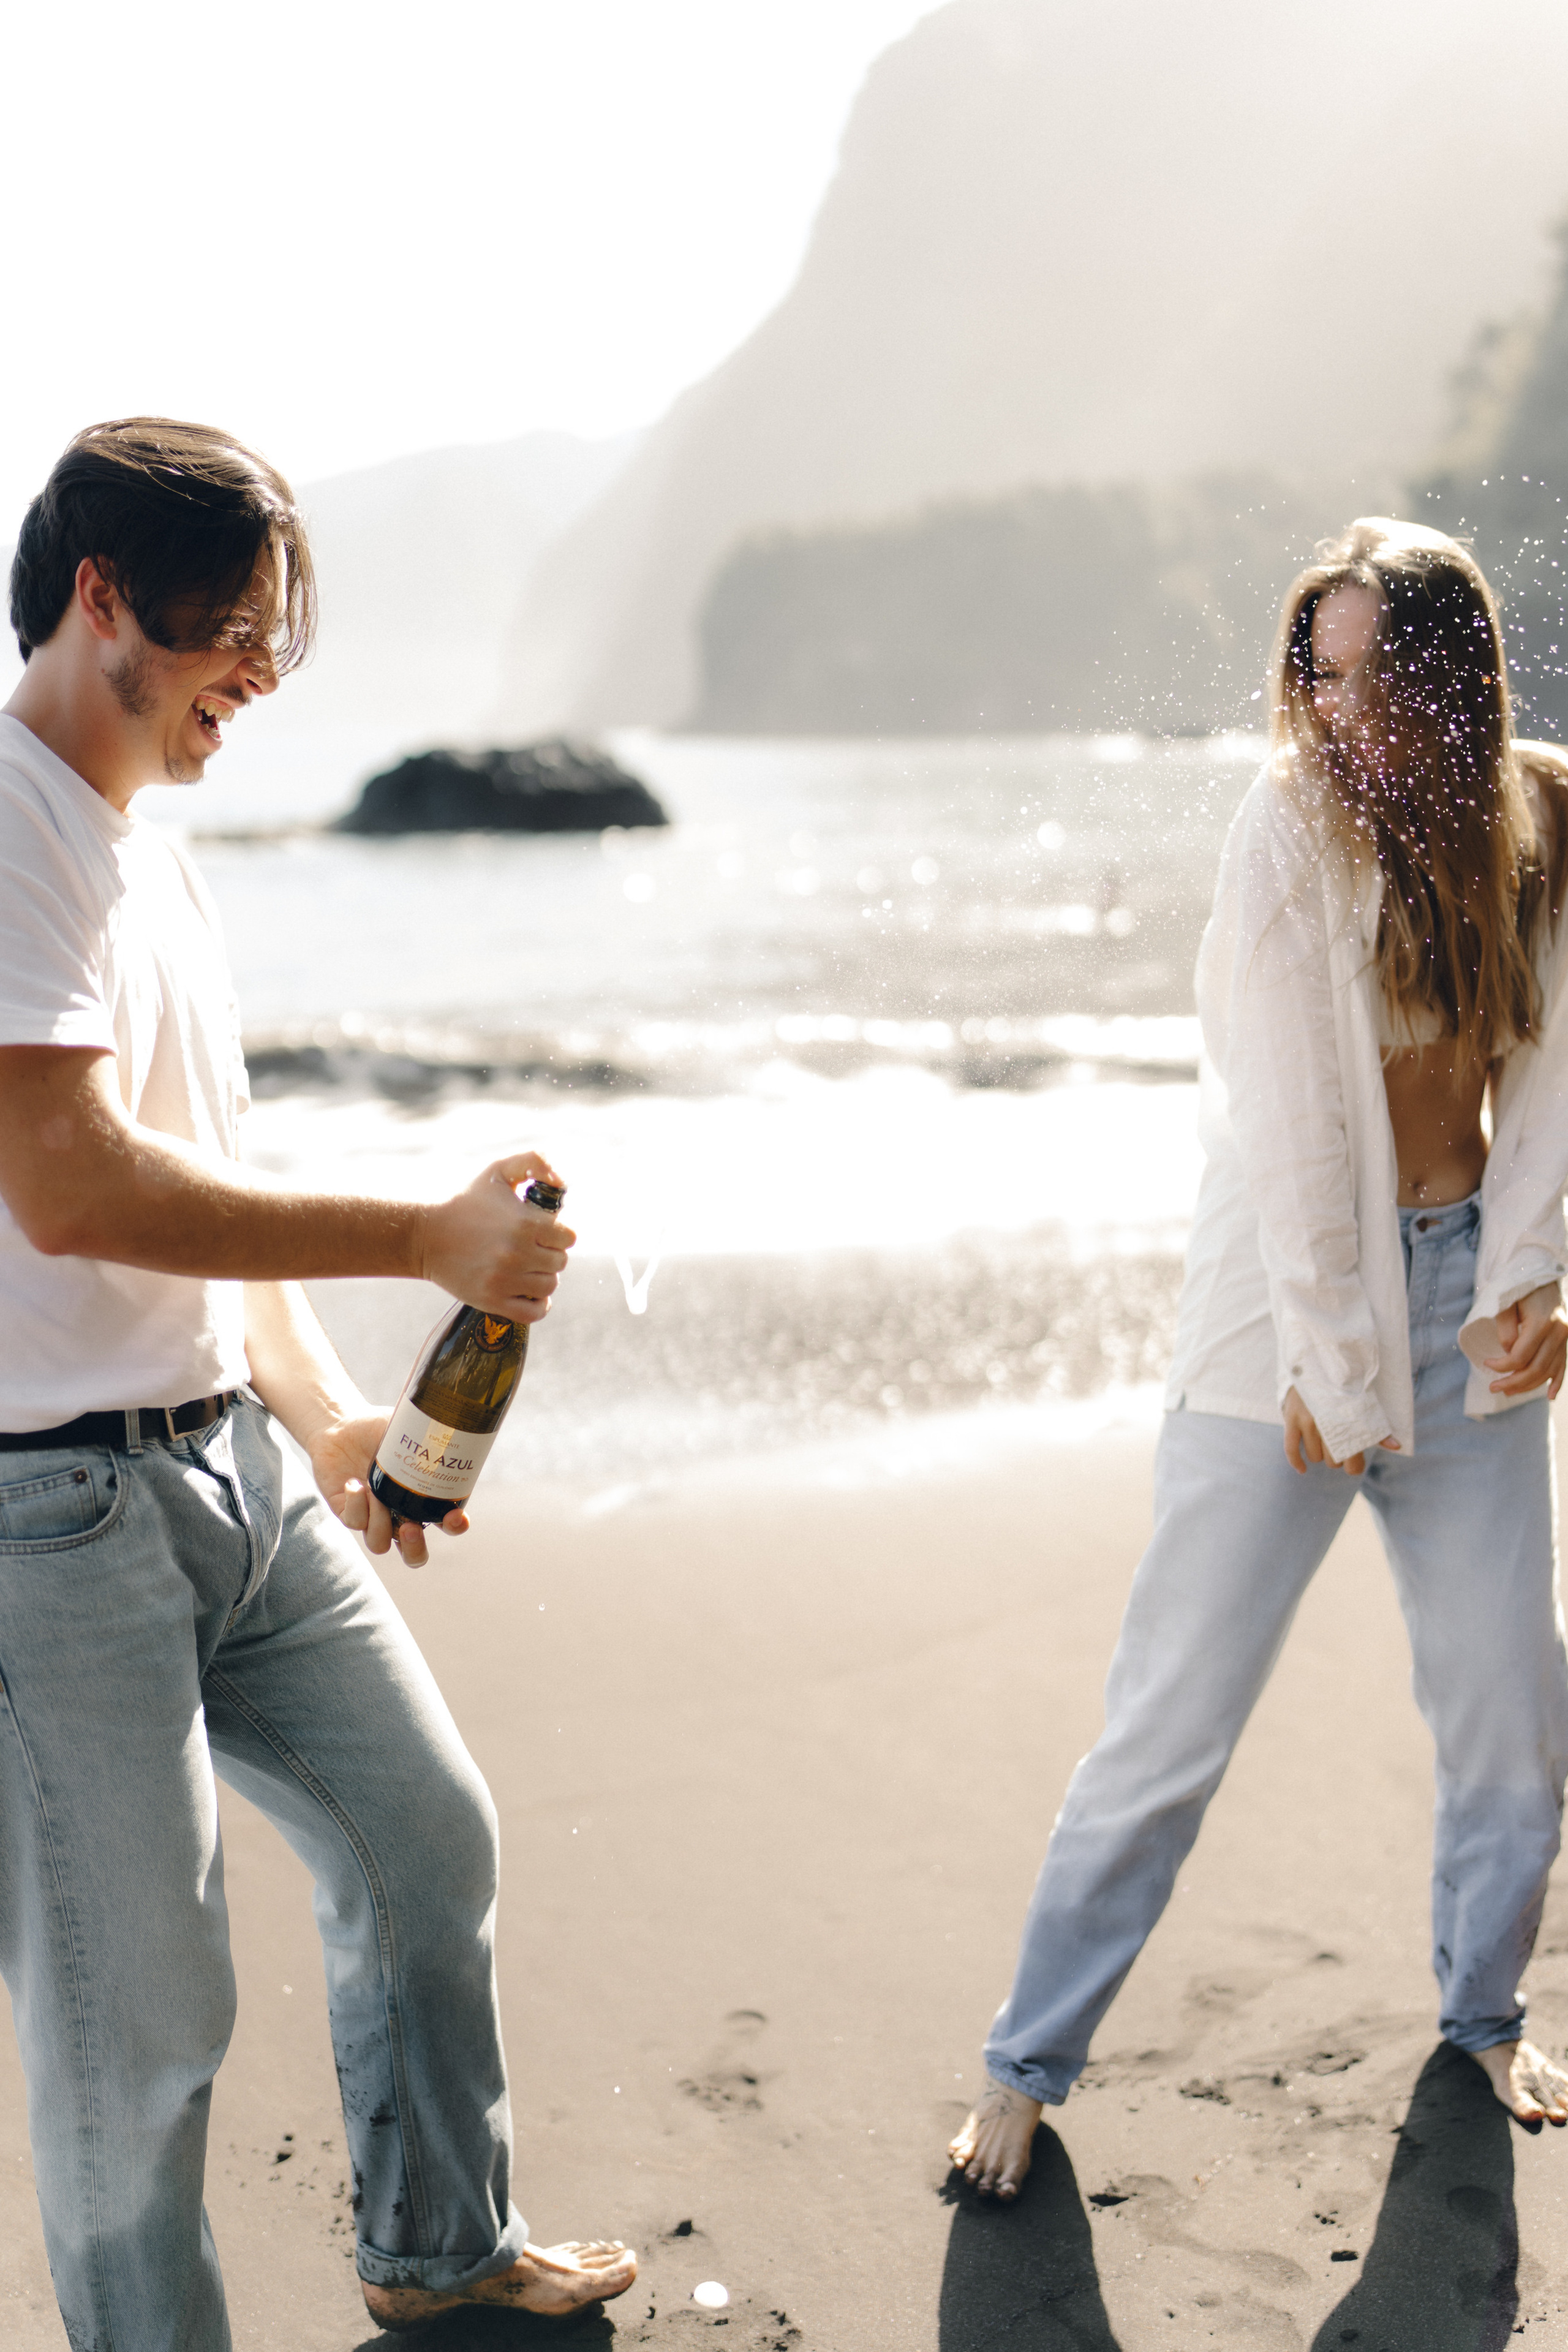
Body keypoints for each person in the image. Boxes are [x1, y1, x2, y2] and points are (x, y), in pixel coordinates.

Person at [0, 418, 638, 2343]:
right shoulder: (8, 820)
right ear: (102, 595)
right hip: (50, 1519)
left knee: (425, 1838)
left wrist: (336, 1418)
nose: (259, 677)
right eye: (232, 633)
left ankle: (437, 2252)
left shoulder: (155, 868)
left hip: (231, 1482)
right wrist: (424, 1240)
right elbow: (69, 1186)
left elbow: (207, 1199)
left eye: (279, 640)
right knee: (146, 2026)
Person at [950, 517, 1568, 2201]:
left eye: (1373, 674)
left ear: (1455, 677)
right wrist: (1338, 1366)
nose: (1337, 707)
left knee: (1515, 1716)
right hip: (1279, 1331)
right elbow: (1292, 1122)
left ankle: (1485, 2015)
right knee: (1172, 1722)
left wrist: (1533, 1270)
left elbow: (1565, 1068)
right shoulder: (1287, 824)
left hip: (1470, 1321)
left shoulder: (1537, 812)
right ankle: (1025, 2062)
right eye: (1320, 670)